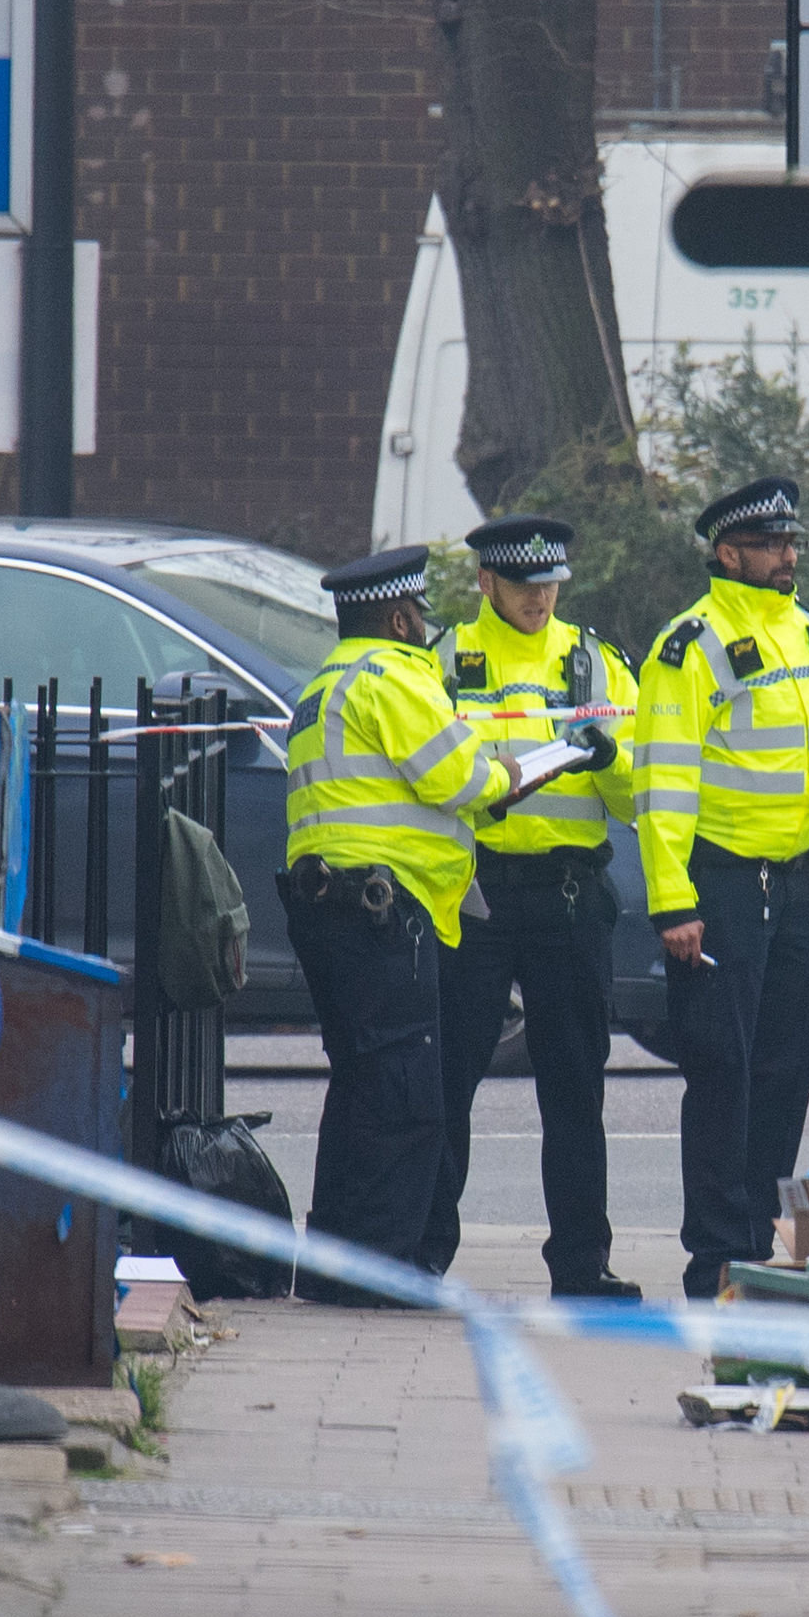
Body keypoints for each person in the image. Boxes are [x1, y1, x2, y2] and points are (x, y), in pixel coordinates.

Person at [278, 541, 528, 1302]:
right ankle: (378, 1274)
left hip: (324, 906)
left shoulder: (325, 683)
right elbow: (460, 778)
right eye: (419, 613)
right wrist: (512, 772)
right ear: (399, 616)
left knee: (356, 1084)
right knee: (404, 1092)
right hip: (382, 912)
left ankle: (333, 1262)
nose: (425, 625)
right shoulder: (397, 677)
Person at [631, 477, 809, 1298]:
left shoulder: (801, 629)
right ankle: (715, 1253)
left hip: (793, 885)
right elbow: (664, 782)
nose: (789, 558)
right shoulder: (690, 644)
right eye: (772, 546)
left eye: (792, 544)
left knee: (788, 1068)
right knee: (725, 1070)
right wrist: (672, 900)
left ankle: (757, 1240)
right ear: (728, 553)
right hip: (719, 885)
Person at [427, 515, 640, 1299]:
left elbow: (637, 792)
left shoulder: (595, 662)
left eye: (551, 584)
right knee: (450, 1079)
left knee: (576, 1086)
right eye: (524, 585)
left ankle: (583, 1267)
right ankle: (425, 1254)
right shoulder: (445, 659)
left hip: (570, 896)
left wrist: (615, 759)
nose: (541, 598)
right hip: (478, 894)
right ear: (486, 582)